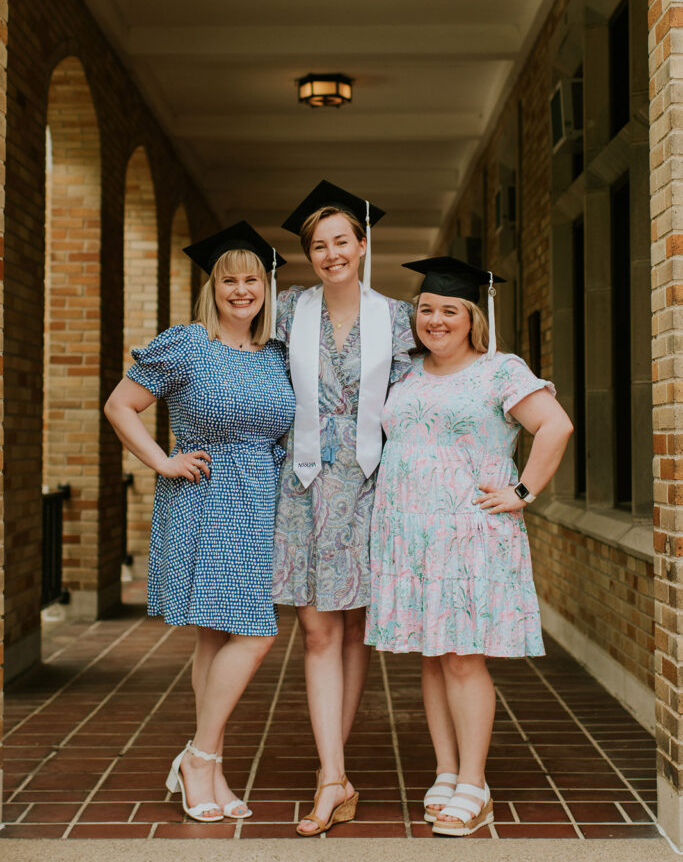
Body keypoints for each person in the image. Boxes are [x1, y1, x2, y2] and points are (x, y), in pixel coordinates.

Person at [365, 256, 573, 837]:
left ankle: (475, 785)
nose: (435, 320)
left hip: (469, 532)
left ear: (472, 317)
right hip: (410, 534)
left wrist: (523, 490)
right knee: (434, 655)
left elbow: (555, 427)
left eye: (448, 310)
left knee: (462, 657)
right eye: (426, 309)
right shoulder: (404, 373)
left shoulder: (500, 371)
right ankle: (447, 770)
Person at [104, 221, 295, 823]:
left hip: (260, 499)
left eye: (252, 279)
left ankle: (209, 768)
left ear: (266, 286)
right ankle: (200, 756)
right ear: (211, 286)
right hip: (205, 496)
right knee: (255, 634)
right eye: (228, 279)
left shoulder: (276, 352)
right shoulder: (185, 343)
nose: (241, 290)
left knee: (217, 635)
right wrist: (162, 459)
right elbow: (120, 406)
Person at [273, 181, 414, 836]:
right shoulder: (285, 311)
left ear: (362, 245)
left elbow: (417, 404)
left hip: (370, 487)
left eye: (341, 241)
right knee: (317, 629)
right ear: (307, 254)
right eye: (318, 245)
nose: (331, 253)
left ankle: (338, 770)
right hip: (302, 488)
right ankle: (332, 775)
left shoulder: (399, 317)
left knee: (355, 629)